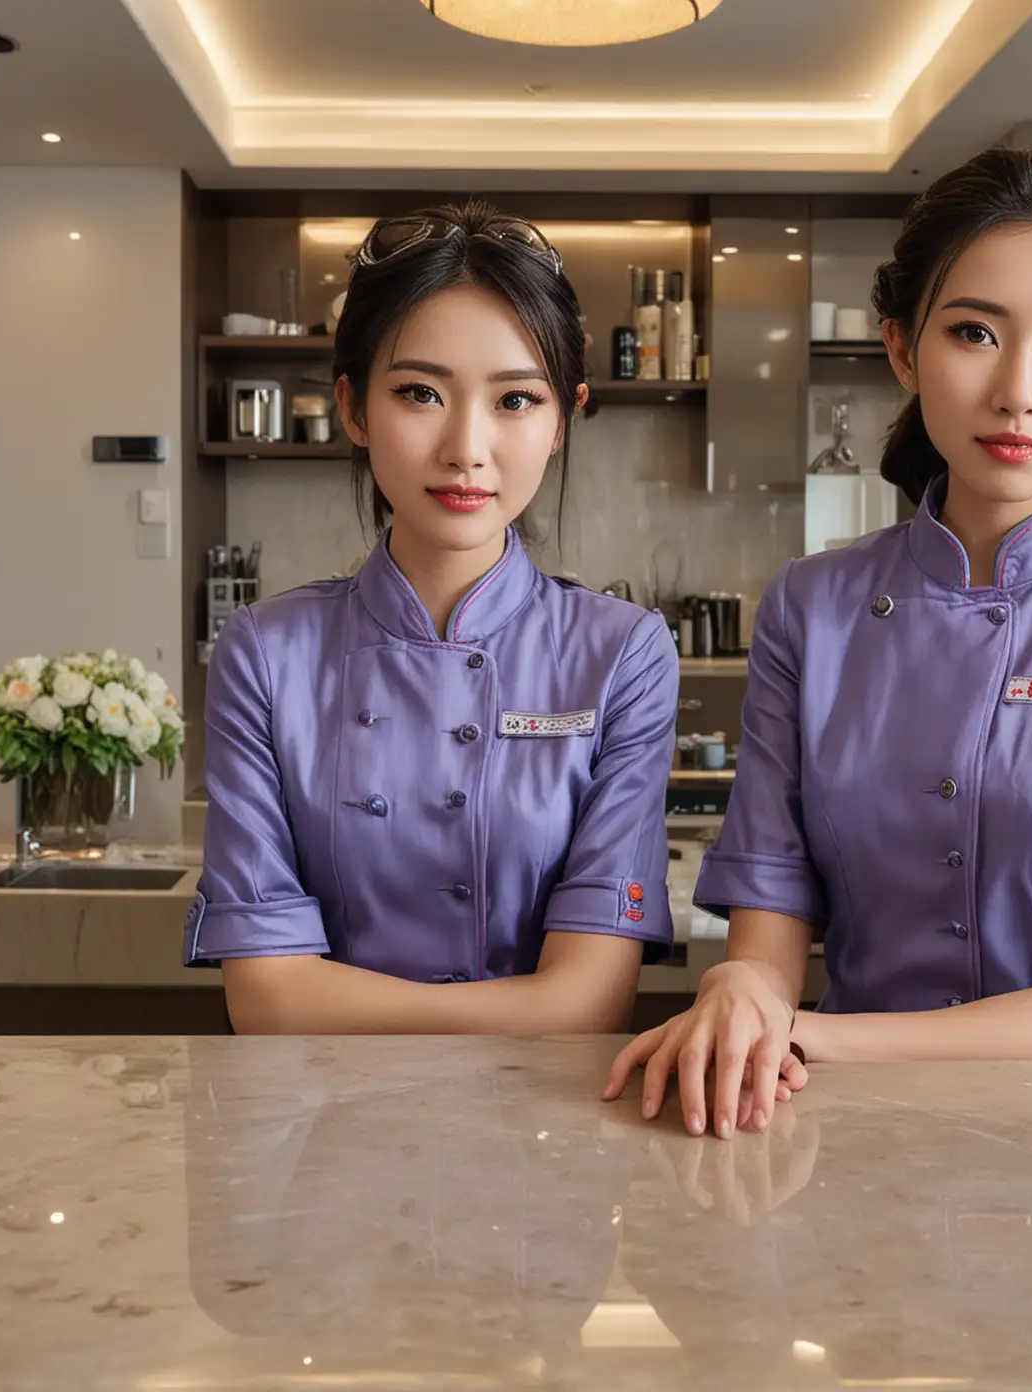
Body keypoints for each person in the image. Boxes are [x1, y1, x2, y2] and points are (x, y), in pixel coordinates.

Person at [605, 148, 1032, 1136]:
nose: (1019, 389)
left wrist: (799, 1034)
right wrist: (746, 990)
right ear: (904, 352)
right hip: (842, 1138)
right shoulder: (810, 605)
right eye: (972, 332)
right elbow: (768, 929)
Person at [185, 203, 678, 1035]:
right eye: (419, 392)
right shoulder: (266, 653)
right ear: (351, 407)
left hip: (545, 1135)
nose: (466, 447)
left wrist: (335, 1000)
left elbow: (590, 1001)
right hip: (319, 1137)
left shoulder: (622, 653)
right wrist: (522, 1008)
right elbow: (265, 1001)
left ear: (564, 419)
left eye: (516, 400)